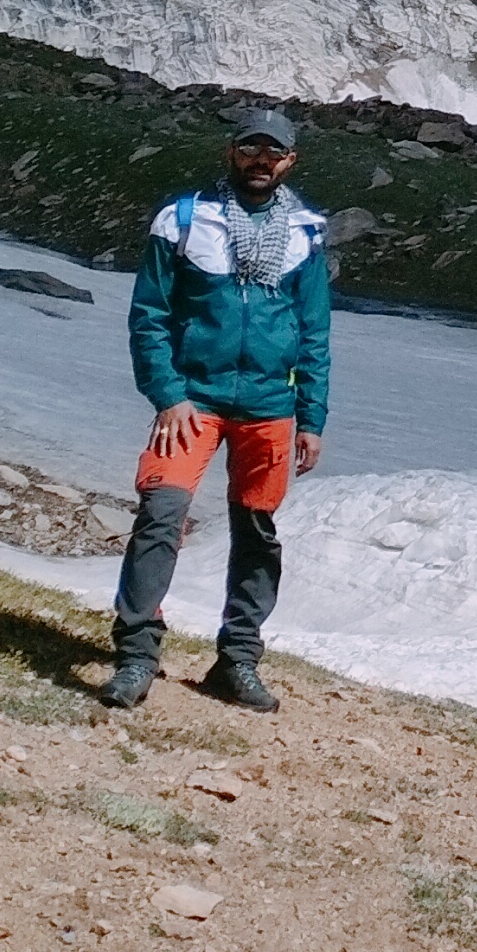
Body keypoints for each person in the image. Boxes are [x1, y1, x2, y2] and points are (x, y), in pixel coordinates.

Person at [104, 104, 333, 712]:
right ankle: (135, 656)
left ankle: (237, 660)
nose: (261, 161)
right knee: (161, 512)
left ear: (290, 161)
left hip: (269, 407)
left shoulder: (307, 231)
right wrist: (167, 394)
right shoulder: (182, 220)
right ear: (230, 151)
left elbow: (314, 330)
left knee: (257, 531)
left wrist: (311, 417)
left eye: (273, 152)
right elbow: (149, 315)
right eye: (250, 148)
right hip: (192, 401)